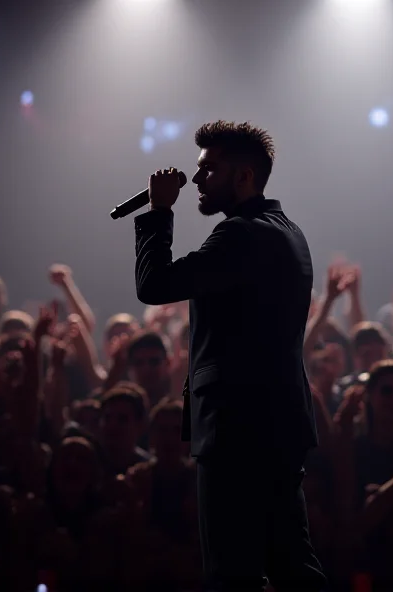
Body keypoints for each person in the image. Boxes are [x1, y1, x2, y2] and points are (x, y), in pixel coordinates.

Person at [132, 120, 326, 591]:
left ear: (243, 176)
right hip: (275, 424)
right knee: (290, 562)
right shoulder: (288, 231)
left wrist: (159, 212)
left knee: (232, 571)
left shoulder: (241, 235)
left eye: (209, 170)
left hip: (239, 428)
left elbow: (154, 285)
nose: (196, 180)